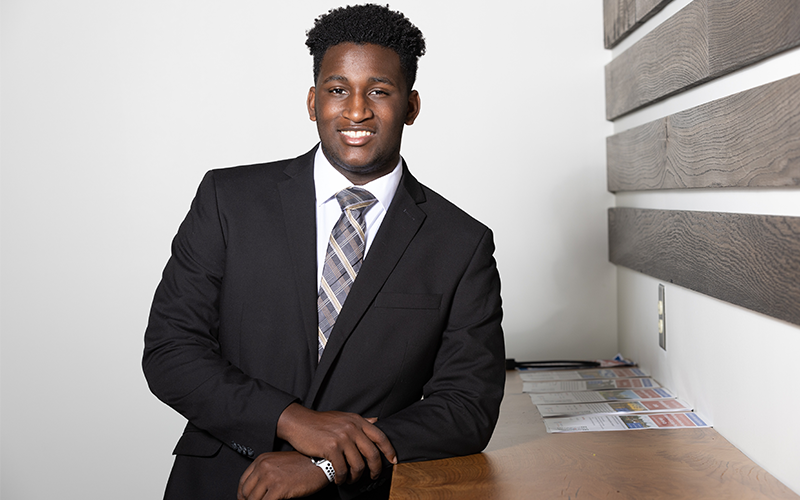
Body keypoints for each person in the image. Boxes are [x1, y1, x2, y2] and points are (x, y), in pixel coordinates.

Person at [143, 4, 505, 499]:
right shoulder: (229, 200)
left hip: (360, 491)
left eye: (379, 91)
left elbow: (467, 407)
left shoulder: (461, 243)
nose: (356, 110)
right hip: (224, 482)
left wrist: (329, 464)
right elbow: (171, 351)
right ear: (313, 102)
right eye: (338, 90)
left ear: (412, 106)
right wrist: (293, 422)